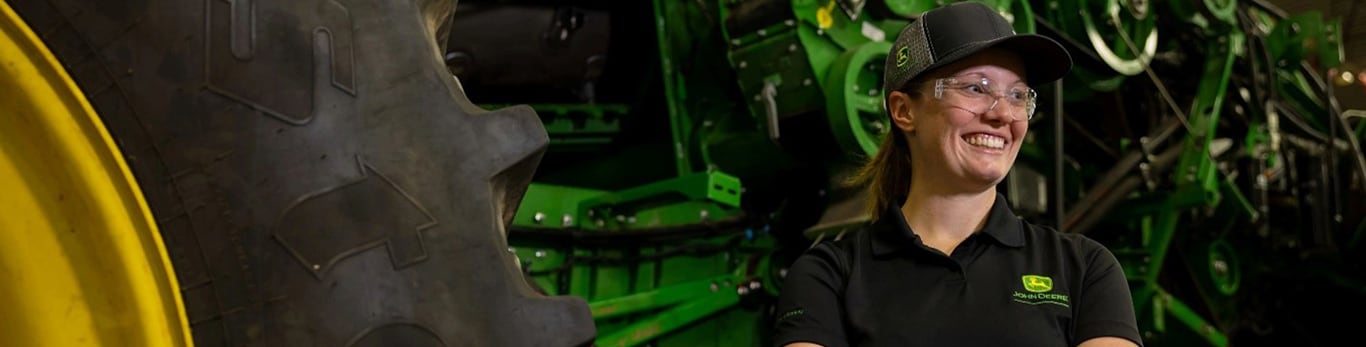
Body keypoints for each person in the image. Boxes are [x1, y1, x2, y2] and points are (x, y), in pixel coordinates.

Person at [771, 2, 1142, 347]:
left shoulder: (1084, 268)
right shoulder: (828, 278)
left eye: (1018, 95)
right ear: (904, 111)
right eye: (976, 88)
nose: (1003, 114)